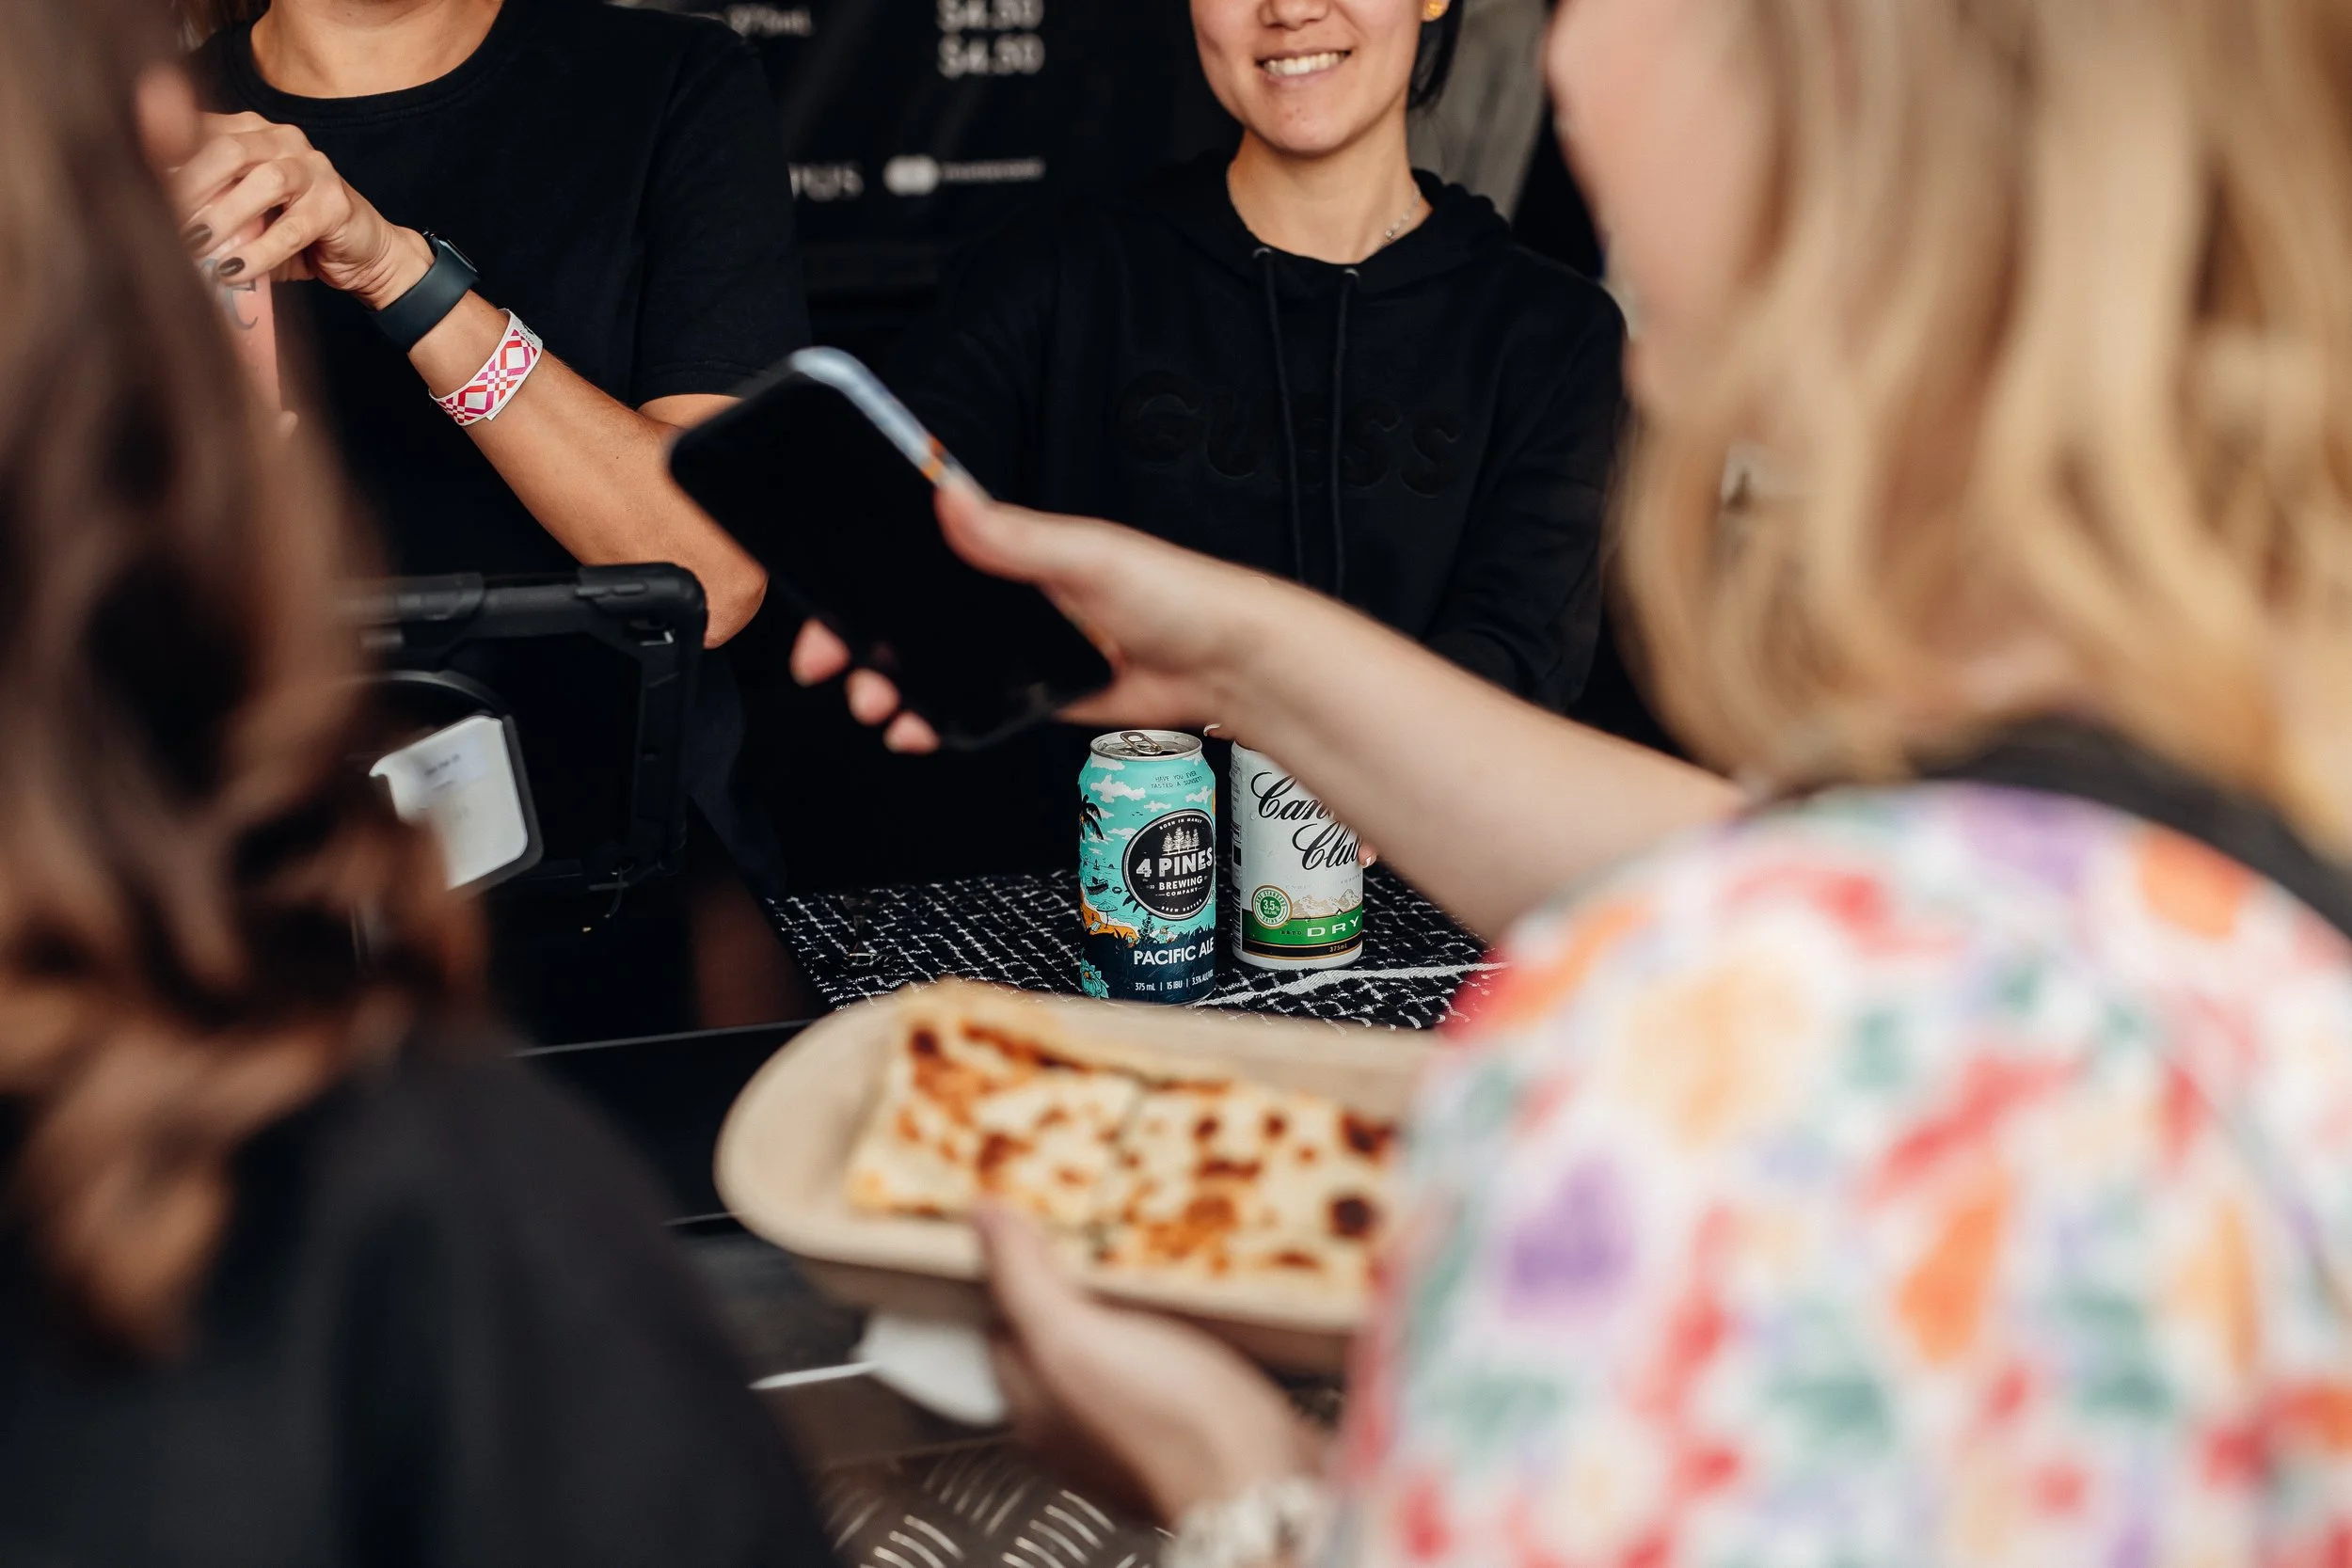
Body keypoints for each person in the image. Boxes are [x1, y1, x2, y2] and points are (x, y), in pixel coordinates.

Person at [805, 0, 2352, 1559]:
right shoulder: (2206, 843)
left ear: (1824, 105)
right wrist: (1236, 664)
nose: (1563, 57)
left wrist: (1243, 1480)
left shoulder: (1664, 1066)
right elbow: (1846, 878)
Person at [0, 2, 833, 1560]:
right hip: (229, 950)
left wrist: (398, 271)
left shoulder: (661, 82)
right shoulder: (125, 106)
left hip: (635, 924)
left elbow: (711, 568)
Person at [781, 0, 1625, 883]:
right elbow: (897, 520)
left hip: (1418, 927)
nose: (1292, 9)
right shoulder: (1053, 273)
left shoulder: (1553, 336)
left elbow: (1517, 650)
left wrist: (1366, 766)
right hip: (1088, 932)